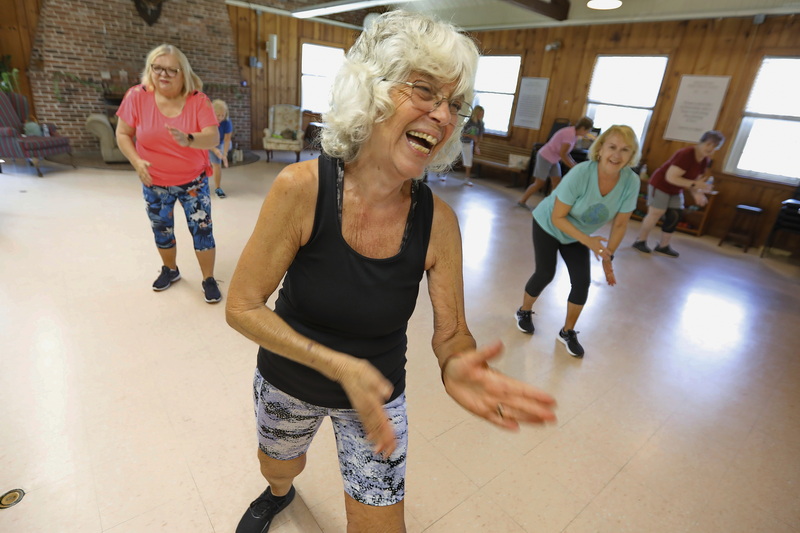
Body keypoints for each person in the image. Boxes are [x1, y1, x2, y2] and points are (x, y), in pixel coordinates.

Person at [226, 11, 557, 533]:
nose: (444, 116)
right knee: (281, 466)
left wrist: (458, 365)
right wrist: (339, 366)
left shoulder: (438, 223)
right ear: (372, 90)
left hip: (378, 396)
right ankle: (278, 493)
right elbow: (241, 307)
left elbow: (451, 333)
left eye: (455, 105)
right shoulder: (302, 189)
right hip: (289, 378)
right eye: (424, 91)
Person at [515, 125, 640, 358]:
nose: (617, 155)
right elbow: (558, 217)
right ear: (600, 149)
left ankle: (567, 331)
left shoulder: (631, 182)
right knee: (545, 273)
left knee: (582, 282)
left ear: (632, 155)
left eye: (625, 150)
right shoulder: (581, 173)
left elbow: (621, 224)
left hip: (579, 234)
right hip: (549, 225)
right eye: (612, 147)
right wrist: (590, 242)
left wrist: (608, 255)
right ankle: (524, 311)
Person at [116, 44, 222, 303]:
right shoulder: (136, 96)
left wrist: (189, 139)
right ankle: (170, 270)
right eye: (157, 68)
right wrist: (137, 161)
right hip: (154, 181)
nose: (163, 75)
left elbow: (212, 136)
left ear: (183, 72)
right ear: (150, 69)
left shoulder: (198, 100)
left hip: (193, 182)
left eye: (171, 70)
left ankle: (208, 278)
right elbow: (122, 133)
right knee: (161, 230)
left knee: (202, 230)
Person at [631, 130, 725, 257]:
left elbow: (695, 181)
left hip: (676, 188)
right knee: (656, 212)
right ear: (701, 142)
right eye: (709, 144)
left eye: (715, 146)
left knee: (675, 214)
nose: (710, 148)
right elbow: (671, 177)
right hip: (660, 184)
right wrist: (695, 185)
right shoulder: (686, 154)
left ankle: (663, 246)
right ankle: (640, 241)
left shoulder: (704, 160)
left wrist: (698, 194)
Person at [517, 116, 594, 207]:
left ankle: (551, 205)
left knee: (557, 182)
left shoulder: (575, 135)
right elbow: (563, 154)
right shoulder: (569, 134)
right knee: (539, 183)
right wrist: (574, 167)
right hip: (545, 157)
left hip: (554, 159)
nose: (587, 133)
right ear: (582, 128)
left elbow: (566, 153)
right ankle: (522, 201)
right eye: (587, 130)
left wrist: (574, 164)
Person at [210, 99, 233, 198]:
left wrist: (224, 154)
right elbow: (204, 139)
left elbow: (227, 139)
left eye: (222, 115)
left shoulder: (227, 122)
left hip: (220, 142)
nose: (220, 117)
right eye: (217, 115)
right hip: (206, 142)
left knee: (216, 164)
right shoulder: (207, 120)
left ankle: (218, 188)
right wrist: (214, 150)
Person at [460, 105, 484, 186]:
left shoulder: (480, 124)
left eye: (482, 114)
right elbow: (460, 132)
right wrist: (468, 135)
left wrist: (477, 147)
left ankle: (467, 179)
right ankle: (443, 174)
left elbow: (479, 136)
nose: (481, 115)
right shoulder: (468, 121)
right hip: (459, 142)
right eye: (479, 113)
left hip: (468, 144)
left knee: (468, 161)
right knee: (451, 158)